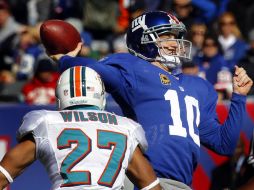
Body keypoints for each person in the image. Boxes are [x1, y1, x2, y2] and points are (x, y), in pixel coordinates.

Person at [51, 11, 253, 189]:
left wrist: (238, 98)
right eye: (166, 36)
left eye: (176, 36)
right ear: (143, 40)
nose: (175, 43)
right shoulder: (133, 68)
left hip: (181, 184)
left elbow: (224, 144)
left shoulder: (199, 87)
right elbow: (90, 69)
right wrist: (66, 59)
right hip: (142, 180)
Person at [0, 66, 162, 190]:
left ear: (60, 95)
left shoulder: (47, 122)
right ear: (100, 94)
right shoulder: (126, 127)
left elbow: (3, 175)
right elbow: (151, 186)